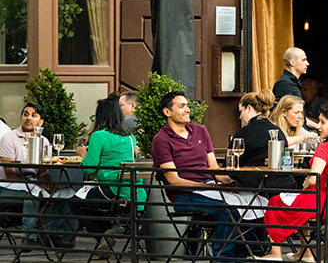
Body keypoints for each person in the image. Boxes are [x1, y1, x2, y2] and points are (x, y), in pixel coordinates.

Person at [261, 106, 328, 262]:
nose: (319, 126)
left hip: (318, 204)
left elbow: (314, 177)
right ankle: (306, 253)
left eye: (322, 122)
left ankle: (275, 253)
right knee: (301, 209)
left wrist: (306, 182)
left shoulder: (324, 148)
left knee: (274, 202)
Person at [151, 91, 241, 261]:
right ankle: (224, 259)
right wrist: (208, 187)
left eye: (187, 105)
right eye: (181, 106)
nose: (187, 109)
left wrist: (232, 180)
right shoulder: (161, 139)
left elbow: (214, 168)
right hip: (183, 195)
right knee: (228, 211)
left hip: (210, 187)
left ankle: (244, 256)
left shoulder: (200, 131)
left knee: (253, 204)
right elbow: (174, 180)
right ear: (167, 112)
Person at [0, 103, 77, 248]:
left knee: (62, 192)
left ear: (40, 122)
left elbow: (43, 169)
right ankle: (28, 237)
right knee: (34, 193)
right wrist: (36, 183)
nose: (28, 118)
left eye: (33, 115)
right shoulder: (9, 138)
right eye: (25, 114)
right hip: (7, 184)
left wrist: (45, 179)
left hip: (31, 182)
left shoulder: (44, 141)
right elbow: (10, 172)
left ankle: (55, 235)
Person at [73, 98, 147, 237]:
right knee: (91, 202)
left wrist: (83, 155)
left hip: (113, 192)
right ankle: (106, 235)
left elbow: (90, 168)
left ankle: (104, 235)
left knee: (74, 203)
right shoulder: (130, 138)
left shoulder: (98, 135)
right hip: (136, 193)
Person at [232, 90, 296, 194]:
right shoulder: (278, 131)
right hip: (284, 188)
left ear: (248, 108)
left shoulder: (243, 134)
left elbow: (230, 168)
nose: (240, 117)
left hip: (256, 190)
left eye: (241, 112)